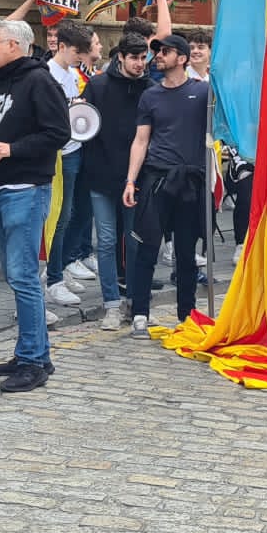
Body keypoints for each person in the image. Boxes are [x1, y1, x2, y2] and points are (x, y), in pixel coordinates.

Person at [0, 17, 71, 392]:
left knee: (24, 275)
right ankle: (33, 351)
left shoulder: (40, 80)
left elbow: (58, 132)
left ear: (15, 44)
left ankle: (32, 361)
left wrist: (11, 149)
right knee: (17, 275)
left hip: (26, 188)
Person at [125, 33, 215, 328]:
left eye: (165, 51)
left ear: (183, 58)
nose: (159, 56)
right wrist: (130, 181)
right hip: (156, 179)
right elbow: (140, 140)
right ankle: (140, 312)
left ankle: (186, 315)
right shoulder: (150, 95)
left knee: (186, 252)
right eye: (158, 51)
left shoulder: (203, 93)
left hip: (190, 181)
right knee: (147, 247)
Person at [81, 32, 149, 329]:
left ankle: (135, 301)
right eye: (133, 57)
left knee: (135, 242)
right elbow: (84, 127)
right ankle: (111, 303)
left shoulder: (150, 87)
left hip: (137, 177)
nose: (139, 63)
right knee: (106, 242)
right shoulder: (97, 85)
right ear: (120, 57)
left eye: (143, 57)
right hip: (102, 174)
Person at [44, 21, 96, 308]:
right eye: (77, 50)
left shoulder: (71, 74)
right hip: (58, 154)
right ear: (62, 46)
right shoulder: (48, 74)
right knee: (58, 218)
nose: (80, 56)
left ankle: (61, 268)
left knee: (69, 215)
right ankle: (53, 277)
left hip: (74, 149)